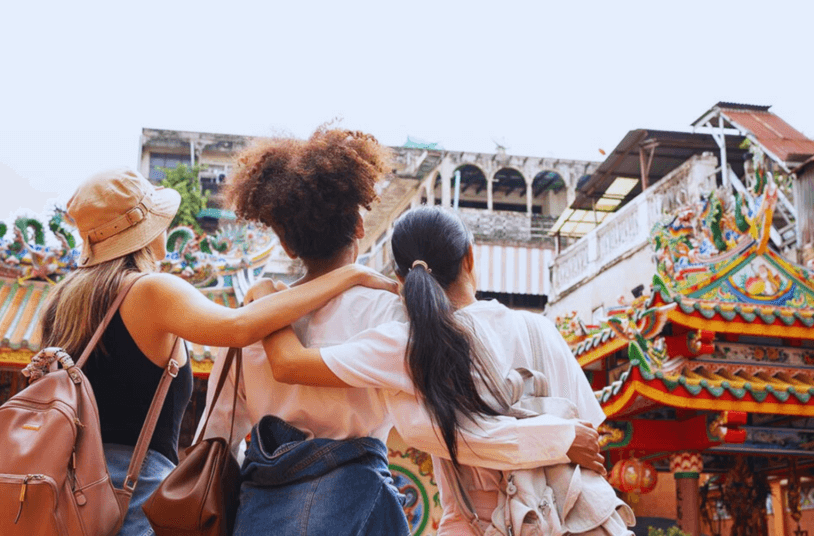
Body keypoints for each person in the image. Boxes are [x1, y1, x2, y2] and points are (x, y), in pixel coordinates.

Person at [197, 128, 607, 536]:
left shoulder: (255, 319)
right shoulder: (393, 314)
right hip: (356, 510)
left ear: (286, 245)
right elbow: (436, 428)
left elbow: (216, 432)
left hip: (264, 511)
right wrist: (557, 438)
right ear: (360, 226)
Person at [37, 167, 397, 536]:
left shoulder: (61, 301)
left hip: (63, 493)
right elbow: (238, 328)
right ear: (145, 229)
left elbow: (220, 421)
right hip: (130, 497)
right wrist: (348, 275)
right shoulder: (150, 291)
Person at [262, 206, 635, 535]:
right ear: (469, 258)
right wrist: (556, 440)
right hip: (577, 518)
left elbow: (288, 363)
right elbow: (589, 440)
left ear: (401, 278)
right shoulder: (542, 331)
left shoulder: (406, 342)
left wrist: (267, 300)